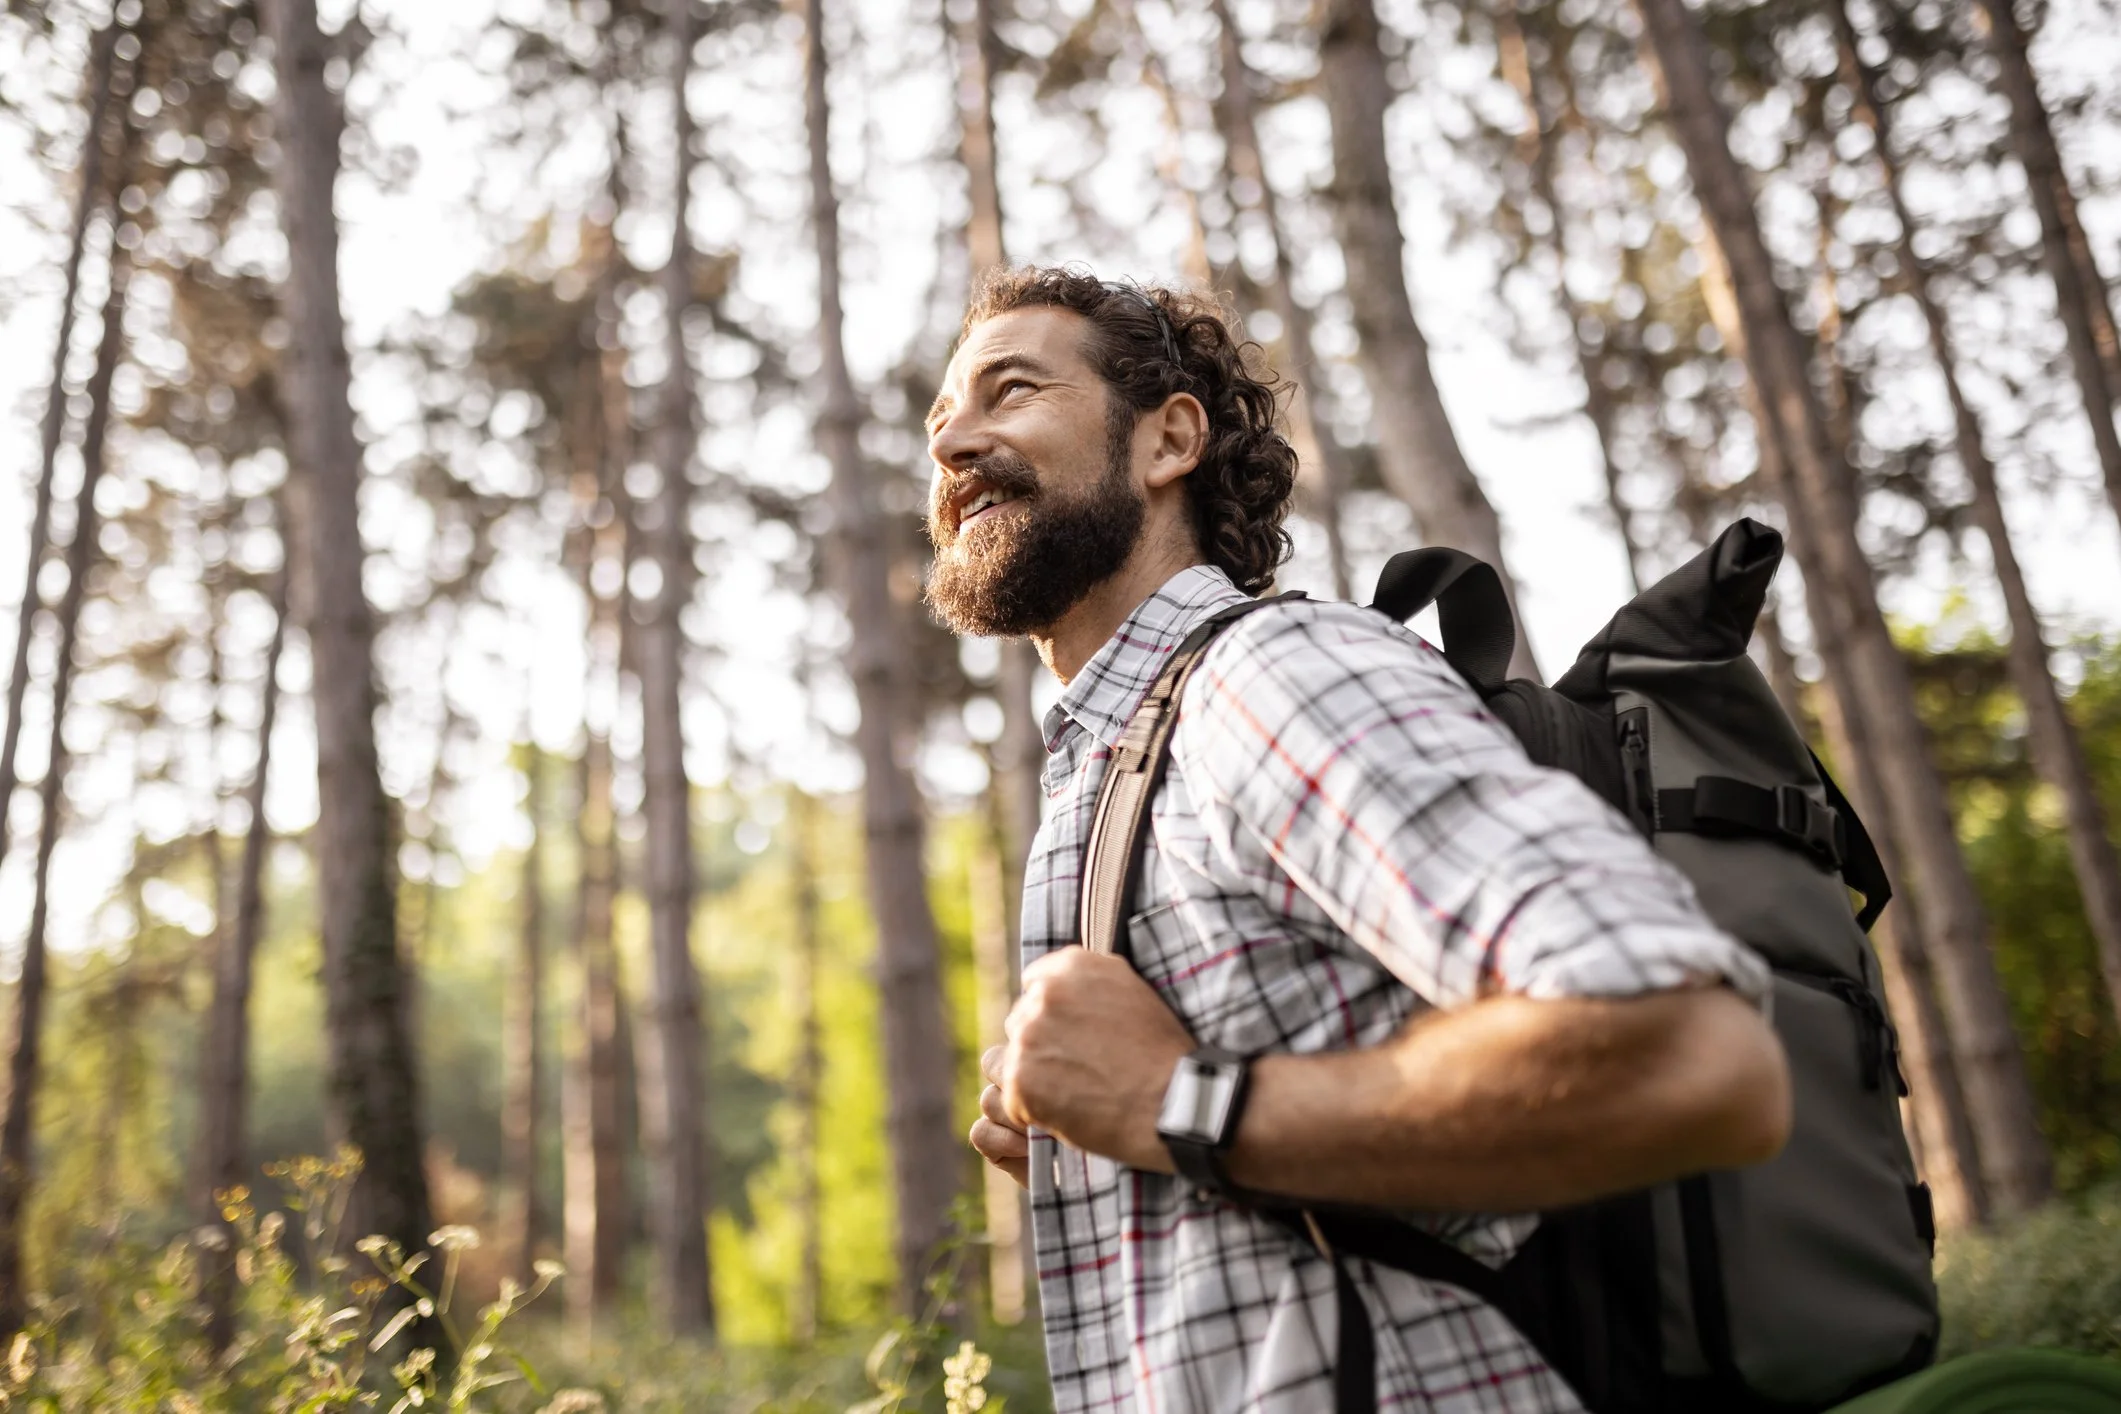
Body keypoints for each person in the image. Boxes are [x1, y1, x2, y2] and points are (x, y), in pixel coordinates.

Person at [927, 264, 1791, 1414]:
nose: (952, 444)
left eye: (1011, 389)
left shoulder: (1268, 678)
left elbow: (1697, 1057)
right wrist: (1111, 1144)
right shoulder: (1114, 762)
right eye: (939, 419)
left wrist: (1179, 1104)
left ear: (1167, 439)